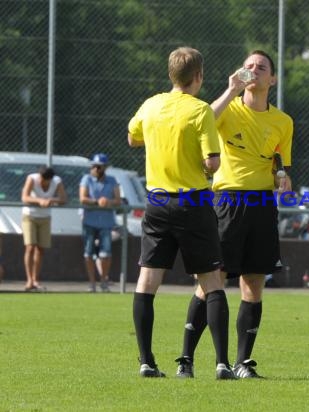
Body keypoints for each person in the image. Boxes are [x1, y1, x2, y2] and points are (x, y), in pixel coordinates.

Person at [181, 50, 293, 379]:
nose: (254, 71)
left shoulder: (283, 121)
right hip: (228, 201)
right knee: (211, 281)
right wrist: (230, 90)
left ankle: (242, 362)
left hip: (262, 204)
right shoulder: (228, 108)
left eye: (262, 67)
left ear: (272, 79)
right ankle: (185, 359)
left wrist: (282, 178)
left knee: (254, 283)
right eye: (249, 66)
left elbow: (279, 164)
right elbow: (200, 120)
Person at [127, 46, 234, 379]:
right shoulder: (200, 110)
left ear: (171, 75)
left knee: (147, 281)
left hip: (157, 201)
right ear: (198, 76)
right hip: (193, 202)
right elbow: (212, 162)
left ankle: (146, 362)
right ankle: (221, 364)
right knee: (212, 282)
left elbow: (132, 138)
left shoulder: (151, 105)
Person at [21, 165, 67, 292]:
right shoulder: (31, 178)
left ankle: (36, 280)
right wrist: (39, 201)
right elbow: (24, 197)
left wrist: (51, 199)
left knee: (40, 249)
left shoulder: (57, 181)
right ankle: (29, 280)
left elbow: (63, 199)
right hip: (29, 216)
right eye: (41, 179)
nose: (42, 182)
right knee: (30, 246)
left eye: (45, 180)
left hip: (45, 217)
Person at [79, 153, 121, 293]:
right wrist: (97, 202)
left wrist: (107, 202)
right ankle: (92, 283)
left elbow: (117, 200)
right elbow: (83, 198)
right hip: (89, 222)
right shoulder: (86, 179)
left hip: (106, 223)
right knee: (88, 253)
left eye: (98, 167)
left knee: (106, 253)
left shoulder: (112, 180)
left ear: (104, 168)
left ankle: (103, 281)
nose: (95, 169)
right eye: (93, 166)